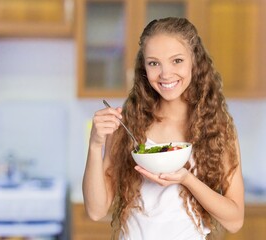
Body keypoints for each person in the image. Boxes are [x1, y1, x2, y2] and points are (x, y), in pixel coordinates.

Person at [82, 17, 244, 240]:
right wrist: (95, 145)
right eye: (154, 63)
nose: (165, 74)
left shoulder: (218, 129)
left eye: (177, 60)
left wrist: (186, 179)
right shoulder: (128, 124)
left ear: (194, 61)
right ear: (144, 67)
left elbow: (235, 221)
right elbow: (96, 210)